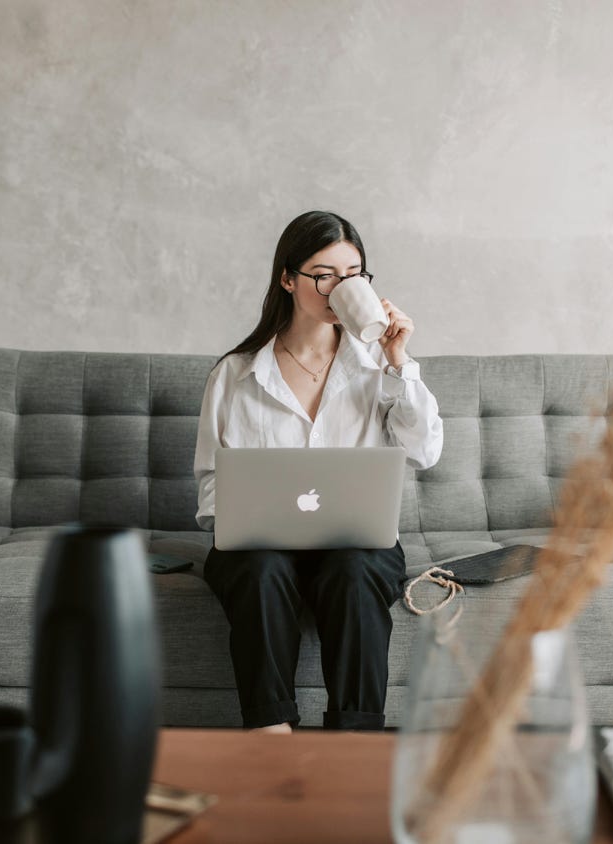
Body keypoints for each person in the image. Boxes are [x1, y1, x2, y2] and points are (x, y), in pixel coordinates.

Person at [194, 210, 443, 732]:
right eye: (323, 274)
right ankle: (270, 734)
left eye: (353, 275)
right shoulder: (235, 374)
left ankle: (354, 741)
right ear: (288, 279)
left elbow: (424, 452)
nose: (340, 288)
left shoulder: (378, 367)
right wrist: (245, 518)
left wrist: (400, 361)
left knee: (355, 572)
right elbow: (212, 487)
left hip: (353, 543)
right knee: (261, 571)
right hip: (259, 548)